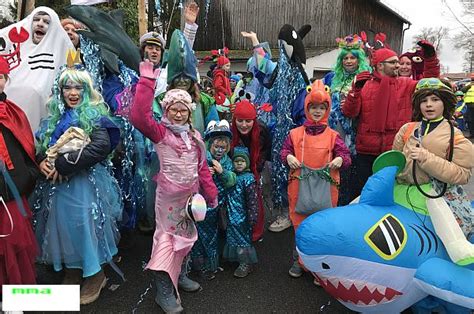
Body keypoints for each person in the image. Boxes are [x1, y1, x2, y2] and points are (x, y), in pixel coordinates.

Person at [32, 52, 123, 305]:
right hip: (58, 187)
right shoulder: (53, 119)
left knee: (85, 226)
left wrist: (62, 164)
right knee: (62, 227)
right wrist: (42, 161)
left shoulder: (95, 116)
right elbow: (40, 145)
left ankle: (95, 274)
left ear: (86, 90)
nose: (73, 92)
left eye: (78, 87)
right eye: (67, 87)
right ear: (60, 91)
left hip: (85, 184)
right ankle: (73, 270)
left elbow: (100, 147)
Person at [130, 60, 217, 313]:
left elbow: (202, 168)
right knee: (167, 239)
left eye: (183, 110)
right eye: (173, 109)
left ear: (190, 112)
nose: (178, 114)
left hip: (190, 199)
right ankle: (163, 290)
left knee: (187, 237)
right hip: (168, 200)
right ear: (165, 111)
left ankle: (179, 274)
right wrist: (147, 82)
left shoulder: (194, 137)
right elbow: (138, 116)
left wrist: (210, 194)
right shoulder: (160, 133)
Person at [342, 41, 440, 197]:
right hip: (366, 152)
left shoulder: (406, 85)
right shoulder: (365, 85)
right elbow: (350, 112)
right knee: (362, 193)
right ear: (380, 65)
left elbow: (430, 83)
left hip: (395, 151)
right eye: (393, 62)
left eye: (398, 62)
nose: (398, 66)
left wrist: (430, 58)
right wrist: (355, 91)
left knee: (391, 194)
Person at [392, 78, 474, 265]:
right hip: (401, 194)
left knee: (452, 247)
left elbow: (463, 174)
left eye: (435, 100)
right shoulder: (406, 129)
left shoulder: (456, 137)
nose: (429, 105)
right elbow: (393, 160)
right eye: (424, 100)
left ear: (444, 103)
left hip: (434, 199)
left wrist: (426, 158)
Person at [281, 80, 351, 278]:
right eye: (313, 107)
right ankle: (299, 260)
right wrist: (288, 157)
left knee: (322, 228)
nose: (318, 111)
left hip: (326, 191)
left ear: (327, 109)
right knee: (299, 225)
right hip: (298, 188)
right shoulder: (294, 134)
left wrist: (339, 159)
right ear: (306, 108)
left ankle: (320, 268)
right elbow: (284, 151)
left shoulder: (334, 136)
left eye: (322, 107)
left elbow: (346, 156)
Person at [0, 56, 39, 295]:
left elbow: (25, 147)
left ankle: (13, 296)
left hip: (11, 190)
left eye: (0, 77)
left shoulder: (14, 113)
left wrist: (29, 174)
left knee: (12, 243)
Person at [0, 7, 73, 130]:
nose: (40, 24)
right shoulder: (16, 51)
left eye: (46, 21)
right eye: (36, 19)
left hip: (38, 126)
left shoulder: (62, 53)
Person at [322, 34, 371, 205]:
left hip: (354, 131)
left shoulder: (365, 79)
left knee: (350, 173)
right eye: (345, 58)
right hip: (335, 129)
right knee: (335, 171)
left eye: (352, 58)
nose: (349, 61)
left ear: (359, 60)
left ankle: (348, 205)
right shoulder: (333, 79)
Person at [191, 120, 236, 279]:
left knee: (214, 235)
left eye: (223, 147)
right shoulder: (202, 159)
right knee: (203, 235)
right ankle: (203, 266)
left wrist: (222, 172)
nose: (219, 150)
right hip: (204, 205)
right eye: (216, 146)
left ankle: (212, 263)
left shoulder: (227, 162)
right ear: (209, 144)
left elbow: (232, 181)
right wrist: (205, 174)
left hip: (220, 206)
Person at [230, 100, 272, 240]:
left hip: (254, 168)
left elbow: (266, 150)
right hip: (236, 169)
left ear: (254, 120)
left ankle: (255, 231)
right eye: (240, 120)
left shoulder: (262, 130)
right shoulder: (231, 132)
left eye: (248, 121)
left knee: (255, 200)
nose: (243, 125)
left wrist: (256, 169)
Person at [223, 146, 258, 278]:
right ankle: (238, 260)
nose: (238, 163)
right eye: (236, 161)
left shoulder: (248, 179)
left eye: (242, 161)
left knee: (243, 241)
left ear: (247, 163)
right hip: (231, 216)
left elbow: (252, 200)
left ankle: (245, 263)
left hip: (243, 218)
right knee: (233, 238)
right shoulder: (231, 176)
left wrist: (252, 216)